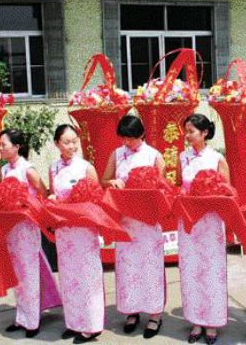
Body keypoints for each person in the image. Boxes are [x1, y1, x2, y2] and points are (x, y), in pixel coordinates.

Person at [100, 115, 166, 339]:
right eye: (123, 139)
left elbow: (162, 190)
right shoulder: (117, 154)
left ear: (141, 135)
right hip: (126, 222)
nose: (126, 143)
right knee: (128, 268)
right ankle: (132, 310)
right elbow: (104, 180)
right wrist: (112, 183)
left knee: (150, 267)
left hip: (147, 223)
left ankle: (155, 314)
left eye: (130, 139)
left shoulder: (154, 156)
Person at [0, 128, 61, 338]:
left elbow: (43, 194)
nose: (0, 149)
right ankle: (21, 316)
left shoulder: (28, 169)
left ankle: (32, 320)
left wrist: (25, 203)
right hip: (12, 228)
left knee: (29, 272)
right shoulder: (5, 170)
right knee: (18, 273)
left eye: (3, 145)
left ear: (16, 147)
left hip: (27, 227)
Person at [177, 114, 230, 345]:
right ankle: (195, 319)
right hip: (189, 222)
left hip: (210, 223)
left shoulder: (217, 158)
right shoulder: (182, 157)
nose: (187, 136)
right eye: (186, 131)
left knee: (211, 270)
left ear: (205, 132)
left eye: (192, 131)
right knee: (190, 270)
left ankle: (212, 321)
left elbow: (227, 191)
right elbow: (180, 185)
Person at [48, 124, 103, 344]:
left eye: (74, 141)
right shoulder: (53, 168)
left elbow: (97, 199)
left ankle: (91, 325)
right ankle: (73, 322)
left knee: (87, 276)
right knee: (69, 276)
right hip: (64, 232)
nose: (72, 146)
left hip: (84, 232)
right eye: (66, 142)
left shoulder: (86, 167)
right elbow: (53, 193)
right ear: (56, 144)